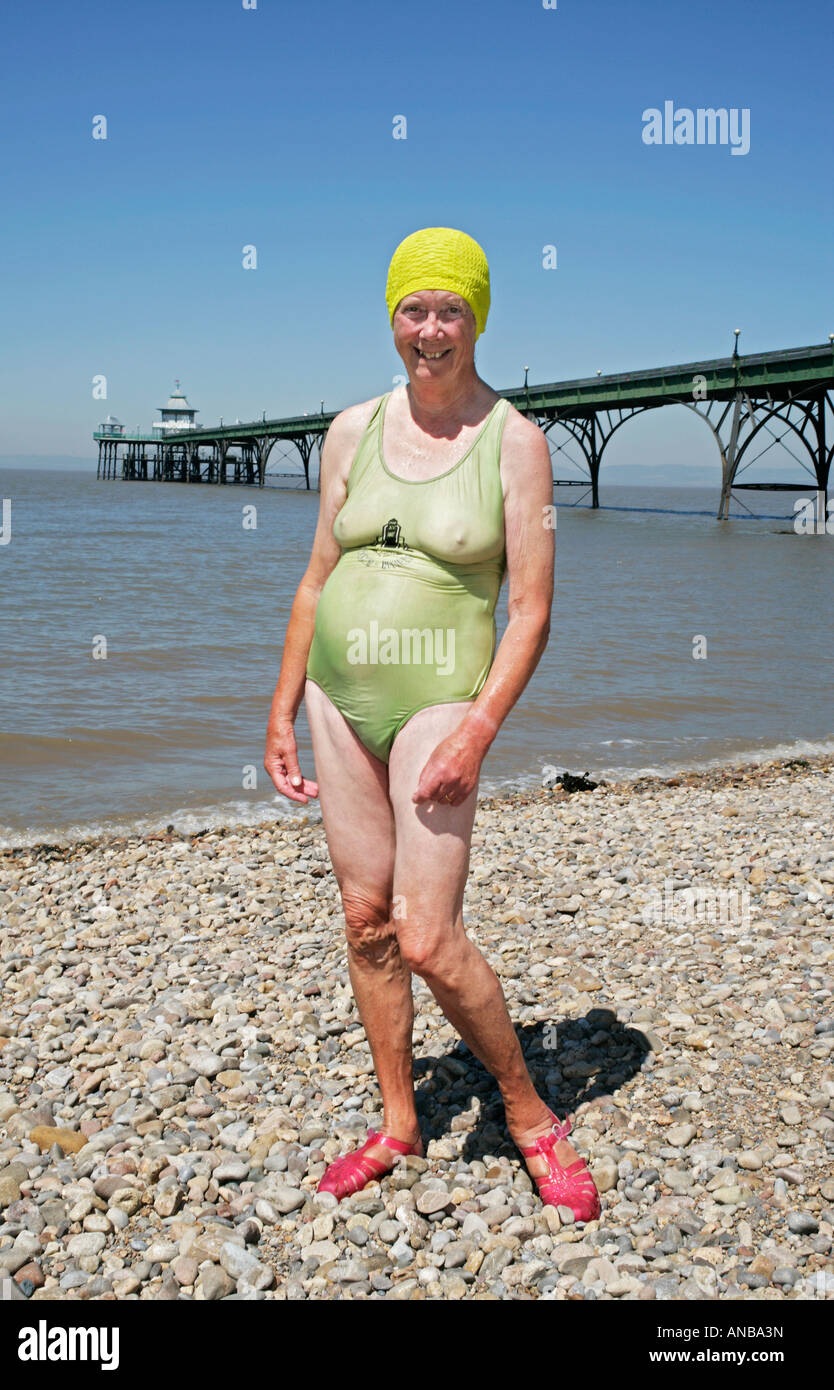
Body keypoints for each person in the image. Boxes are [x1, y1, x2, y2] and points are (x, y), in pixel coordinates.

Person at [263, 227, 600, 1221]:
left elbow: (530, 609)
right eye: (412, 308)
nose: (429, 327)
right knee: (364, 921)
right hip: (336, 698)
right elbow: (316, 577)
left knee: (425, 935)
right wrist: (279, 705)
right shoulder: (349, 430)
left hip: (438, 705)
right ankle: (398, 1122)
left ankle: (529, 1111)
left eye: (449, 308)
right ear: (392, 317)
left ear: (477, 319)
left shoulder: (516, 441)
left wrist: (477, 728)